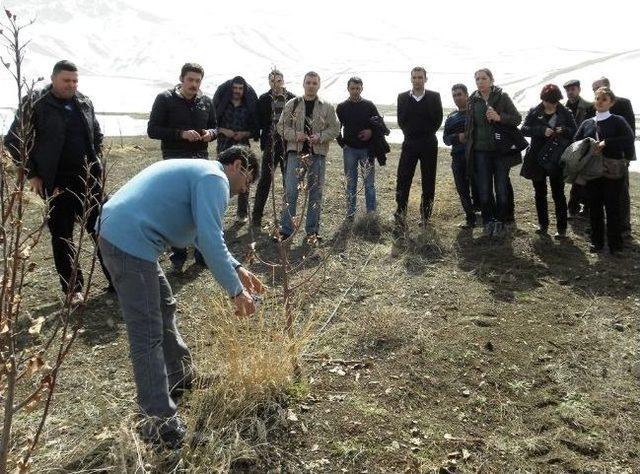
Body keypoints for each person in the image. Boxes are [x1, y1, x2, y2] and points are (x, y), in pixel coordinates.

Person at [98, 145, 264, 449]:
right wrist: (236, 292)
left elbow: (205, 236)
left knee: (163, 306)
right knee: (147, 332)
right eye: (248, 181)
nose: (245, 190)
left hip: (126, 237)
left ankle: (181, 375)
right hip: (129, 242)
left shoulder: (203, 174)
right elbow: (211, 240)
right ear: (240, 166)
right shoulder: (215, 180)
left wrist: (238, 269)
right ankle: (159, 424)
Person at [4, 60, 112, 304]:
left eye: (75, 81)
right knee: (63, 237)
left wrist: (97, 161)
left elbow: (96, 134)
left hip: (88, 178)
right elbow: (13, 140)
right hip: (56, 182)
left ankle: (116, 280)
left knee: (104, 230)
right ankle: (73, 290)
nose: (71, 85)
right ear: (53, 79)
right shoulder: (36, 103)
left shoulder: (84, 101)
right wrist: (32, 173)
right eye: (66, 80)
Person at [147, 63, 217, 272]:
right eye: (190, 80)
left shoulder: (206, 101)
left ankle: (201, 253)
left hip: (200, 161)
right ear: (181, 79)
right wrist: (181, 134)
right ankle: (178, 255)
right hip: (174, 161)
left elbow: (215, 126)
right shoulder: (165, 99)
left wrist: (210, 134)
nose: (194, 84)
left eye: (198, 81)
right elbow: (153, 130)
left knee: (200, 207)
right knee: (177, 208)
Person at [277, 71, 340, 243]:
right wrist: (295, 135)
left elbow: (335, 129)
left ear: (319, 85)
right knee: (290, 192)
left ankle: (312, 231)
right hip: (295, 154)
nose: (311, 85)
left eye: (314, 83)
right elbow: (281, 127)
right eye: (308, 82)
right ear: (303, 84)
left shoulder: (327, 106)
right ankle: (286, 230)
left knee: (315, 194)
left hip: (317, 155)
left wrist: (320, 136)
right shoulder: (293, 103)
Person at [574, 87, 634, 254]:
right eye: (597, 98)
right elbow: (576, 142)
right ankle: (597, 242)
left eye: (604, 99)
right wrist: (588, 147)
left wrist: (607, 143)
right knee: (594, 207)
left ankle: (616, 246)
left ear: (611, 103)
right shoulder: (587, 123)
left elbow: (629, 139)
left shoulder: (618, 120)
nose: (599, 102)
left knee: (613, 207)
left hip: (612, 171)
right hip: (592, 171)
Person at [464, 68, 522, 238]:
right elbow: (470, 126)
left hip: (500, 151)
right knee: (484, 188)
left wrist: (499, 117)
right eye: (477, 79)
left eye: (483, 78)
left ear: (491, 80)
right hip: (480, 151)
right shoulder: (473, 100)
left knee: (501, 188)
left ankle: (501, 221)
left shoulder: (502, 96)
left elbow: (517, 118)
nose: (480, 82)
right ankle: (488, 220)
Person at [521, 84, 577, 239]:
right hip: (537, 158)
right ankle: (543, 224)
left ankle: (561, 228)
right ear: (543, 99)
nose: (553, 105)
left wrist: (564, 130)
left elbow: (575, 131)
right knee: (540, 193)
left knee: (558, 193)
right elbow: (523, 129)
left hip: (556, 158)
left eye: (555, 102)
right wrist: (540, 130)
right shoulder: (534, 111)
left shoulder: (565, 112)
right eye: (549, 101)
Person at [394, 66, 443, 234]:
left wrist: (425, 133)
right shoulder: (402, 97)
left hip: (429, 143)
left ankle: (425, 216)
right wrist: (411, 133)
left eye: (420, 77)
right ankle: (400, 212)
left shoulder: (434, 97)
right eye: (414, 77)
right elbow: (401, 120)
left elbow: (438, 119)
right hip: (409, 142)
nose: (417, 80)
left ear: (425, 79)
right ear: (411, 79)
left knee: (428, 179)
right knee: (403, 177)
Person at [592, 77, 635, 239]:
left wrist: (627, 157)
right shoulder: (594, 107)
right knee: (599, 193)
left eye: (598, 87)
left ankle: (624, 227)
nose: (596, 92)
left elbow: (630, 132)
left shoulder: (623, 103)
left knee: (621, 193)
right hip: (598, 159)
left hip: (619, 158)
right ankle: (602, 227)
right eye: (593, 89)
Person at [252, 69, 295, 228]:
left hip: (289, 143)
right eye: (272, 81)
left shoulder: (292, 98)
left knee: (288, 180)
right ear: (269, 82)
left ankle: (287, 217)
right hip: (271, 142)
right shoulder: (264, 98)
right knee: (265, 179)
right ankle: (256, 216)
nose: (276, 84)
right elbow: (259, 120)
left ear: (283, 81)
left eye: (278, 81)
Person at [213, 76, 259, 224]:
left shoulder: (248, 106)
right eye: (235, 88)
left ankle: (242, 213)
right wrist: (223, 130)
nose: (237, 91)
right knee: (220, 179)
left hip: (243, 148)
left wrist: (245, 133)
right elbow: (212, 124)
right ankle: (218, 213)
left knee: (243, 179)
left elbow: (255, 129)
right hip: (224, 147)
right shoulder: (222, 105)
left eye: (240, 89)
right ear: (230, 88)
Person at [336, 76, 381, 220]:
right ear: (348, 89)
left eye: (358, 88)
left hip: (367, 150)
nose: (355, 91)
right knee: (351, 183)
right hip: (349, 150)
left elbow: (379, 124)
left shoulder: (369, 105)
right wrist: (342, 143)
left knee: (369, 184)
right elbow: (336, 127)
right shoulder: (341, 107)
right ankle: (350, 214)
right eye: (352, 88)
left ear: (362, 88)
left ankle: (371, 214)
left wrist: (371, 132)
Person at [443, 83, 479, 228]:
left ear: (466, 95)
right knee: (462, 188)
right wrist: (458, 137)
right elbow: (445, 139)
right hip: (457, 157)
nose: (457, 98)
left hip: (475, 156)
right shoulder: (451, 117)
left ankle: (484, 215)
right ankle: (470, 218)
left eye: (459, 94)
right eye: (454, 95)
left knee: (479, 186)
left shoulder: (475, 113)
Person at [563, 79, 595, 218]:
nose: (570, 92)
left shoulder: (589, 106)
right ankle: (574, 208)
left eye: (573, 89)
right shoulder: (563, 108)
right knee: (574, 177)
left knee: (586, 179)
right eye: (568, 90)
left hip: (586, 147)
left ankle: (583, 208)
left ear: (579, 90)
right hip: (571, 148)